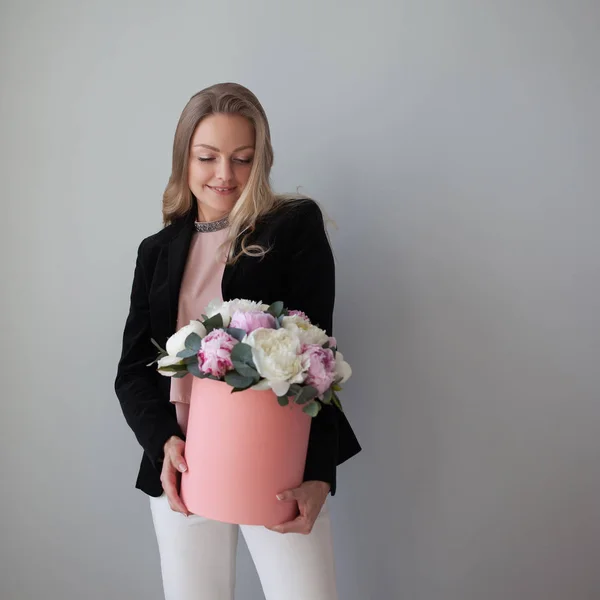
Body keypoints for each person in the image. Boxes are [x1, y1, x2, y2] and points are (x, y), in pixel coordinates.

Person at [114, 82, 361, 600]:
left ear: (261, 160)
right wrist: (163, 442)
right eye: (207, 157)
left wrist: (317, 474)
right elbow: (134, 367)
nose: (224, 174)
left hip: (275, 460)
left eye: (242, 159)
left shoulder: (292, 226)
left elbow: (317, 357)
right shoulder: (155, 251)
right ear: (185, 158)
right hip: (181, 465)